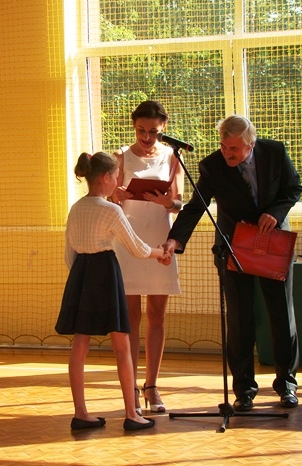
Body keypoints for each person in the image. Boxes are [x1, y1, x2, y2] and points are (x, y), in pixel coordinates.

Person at [163, 115, 302, 410]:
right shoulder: (212, 166)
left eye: (234, 149)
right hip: (234, 246)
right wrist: (175, 239)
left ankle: (287, 385)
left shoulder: (275, 152)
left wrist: (276, 213)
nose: (227, 153)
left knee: (281, 314)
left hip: (273, 242)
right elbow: (196, 206)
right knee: (239, 320)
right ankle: (244, 390)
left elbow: (293, 188)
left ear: (250, 145)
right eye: (224, 147)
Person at [55, 151, 171, 431]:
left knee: (80, 343)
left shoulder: (76, 208)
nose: (119, 182)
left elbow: (69, 255)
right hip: (105, 273)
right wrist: (161, 253)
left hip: (81, 274)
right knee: (121, 344)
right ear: (106, 178)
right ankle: (132, 414)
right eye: (117, 176)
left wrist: (82, 278)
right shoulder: (111, 210)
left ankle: (81, 413)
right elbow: (137, 248)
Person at [110, 100, 183, 414]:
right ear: (134, 126)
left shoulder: (172, 156)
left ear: (163, 127)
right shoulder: (120, 157)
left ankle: (152, 386)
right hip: (127, 242)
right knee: (130, 319)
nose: (146, 136)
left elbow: (179, 203)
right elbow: (108, 199)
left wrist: (167, 202)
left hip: (159, 241)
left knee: (157, 316)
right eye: (141, 130)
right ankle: (131, 390)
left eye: (153, 131)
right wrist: (117, 195)